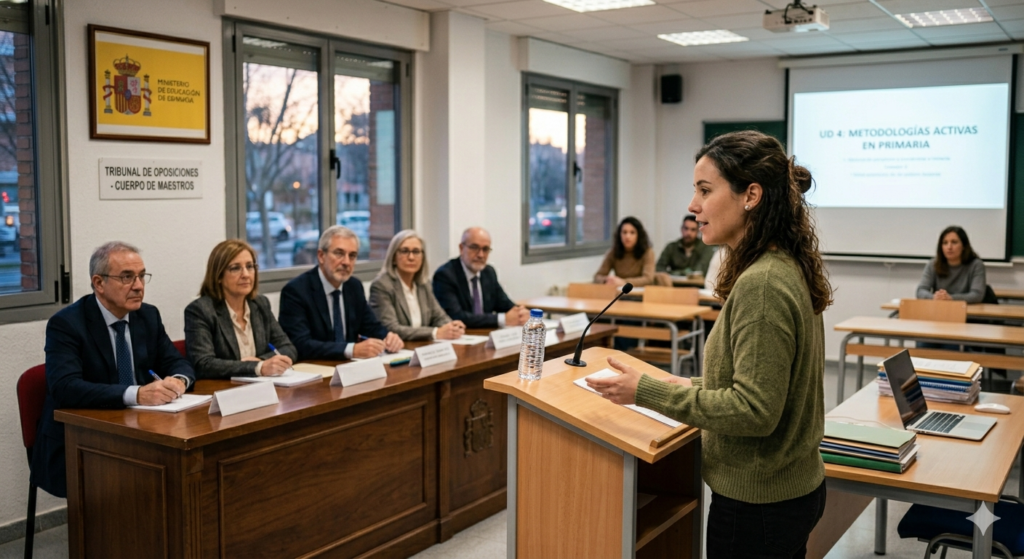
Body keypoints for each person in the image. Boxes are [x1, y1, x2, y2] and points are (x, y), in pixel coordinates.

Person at [587, 130, 832, 558]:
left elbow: (755, 410)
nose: (692, 205)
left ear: (750, 195)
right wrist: (683, 386)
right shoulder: (778, 265)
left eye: (705, 190)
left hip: (759, 506)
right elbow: (759, 378)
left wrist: (645, 392)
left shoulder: (764, 284)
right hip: (784, 493)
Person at [33, 242, 196, 498]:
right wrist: (136, 394)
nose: (139, 286)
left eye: (142, 276)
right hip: (82, 440)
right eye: (127, 277)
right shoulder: (66, 324)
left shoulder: (148, 315)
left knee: (186, 470)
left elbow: (178, 362)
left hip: (141, 430)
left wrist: (178, 380)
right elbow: (65, 387)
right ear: (99, 283)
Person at [279, 226, 403, 361]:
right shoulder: (296, 291)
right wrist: (351, 349)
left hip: (349, 368)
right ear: (321, 256)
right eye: (339, 253)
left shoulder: (353, 286)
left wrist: (388, 337)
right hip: (315, 369)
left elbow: (371, 326)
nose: (346, 262)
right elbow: (300, 344)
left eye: (352, 256)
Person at [184, 239, 297, 379]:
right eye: (235, 268)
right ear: (218, 276)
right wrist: (258, 368)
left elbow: (288, 348)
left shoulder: (260, 304)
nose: (246, 274)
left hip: (262, 388)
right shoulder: (200, 310)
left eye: (250, 266)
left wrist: (262, 362)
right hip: (224, 392)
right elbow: (203, 364)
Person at [370, 230, 466, 341]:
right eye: (404, 251)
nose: (411, 257)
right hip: (398, 351)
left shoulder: (424, 284)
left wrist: (452, 327)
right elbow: (391, 329)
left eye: (416, 252)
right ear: (393, 257)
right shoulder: (382, 286)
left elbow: (439, 316)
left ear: (422, 257)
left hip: (422, 348)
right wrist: (435, 333)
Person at [433, 226, 528, 329]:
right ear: (461, 248)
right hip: (461, 336)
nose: (481, 255)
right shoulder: (445, 275)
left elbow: (504, 304)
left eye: (485, 249)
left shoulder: (488, 272)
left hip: (486, 335)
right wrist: (502, 319)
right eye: (474, 247)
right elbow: (456, 316)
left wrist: (520, 313)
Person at [916, 226, 986, 303]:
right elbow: (921, 290)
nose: (949, 247)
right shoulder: (933, 264)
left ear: (964, 246)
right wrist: (934, 297)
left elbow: (977, 295)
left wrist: (951, 298)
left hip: (967, 311)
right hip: (939, 310)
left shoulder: (976, 265)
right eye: (945, 243)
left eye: (954, 242)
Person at [594, 216, 657, 287]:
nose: (627, 236)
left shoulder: (647, 252)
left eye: (632, 233)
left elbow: (648, 279)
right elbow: (597, 276)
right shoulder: (613, 252)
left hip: (641, 293)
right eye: (624, 232)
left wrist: (624, 282)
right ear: (619, 235)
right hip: (620, 293)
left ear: (639, 236)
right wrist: (607, 280)